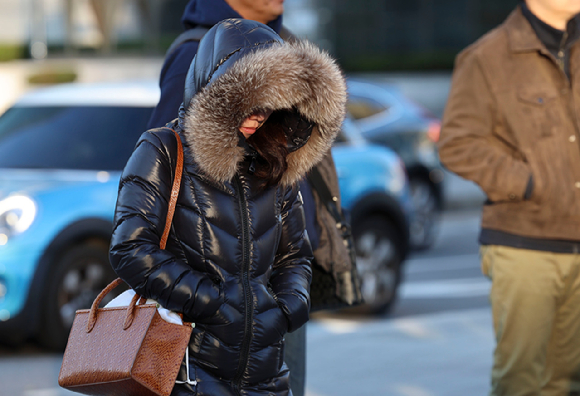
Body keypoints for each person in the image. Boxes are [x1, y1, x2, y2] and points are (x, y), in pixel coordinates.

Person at [109, 18, 346, 396]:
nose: (259, 113)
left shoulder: (275, 161)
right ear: (217, 92)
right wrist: (211, 301)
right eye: (248, 99)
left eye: (270, 101)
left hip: (267, 374)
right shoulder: (163, 150)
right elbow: (130, 248)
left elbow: (295, 256)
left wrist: (288, 308)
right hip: (184, 370)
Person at [439, 1, 580, 394]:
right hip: (525, 244)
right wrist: (532, 182)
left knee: (570, 383)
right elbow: (456, 144)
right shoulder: (487, 56)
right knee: (522, 382)